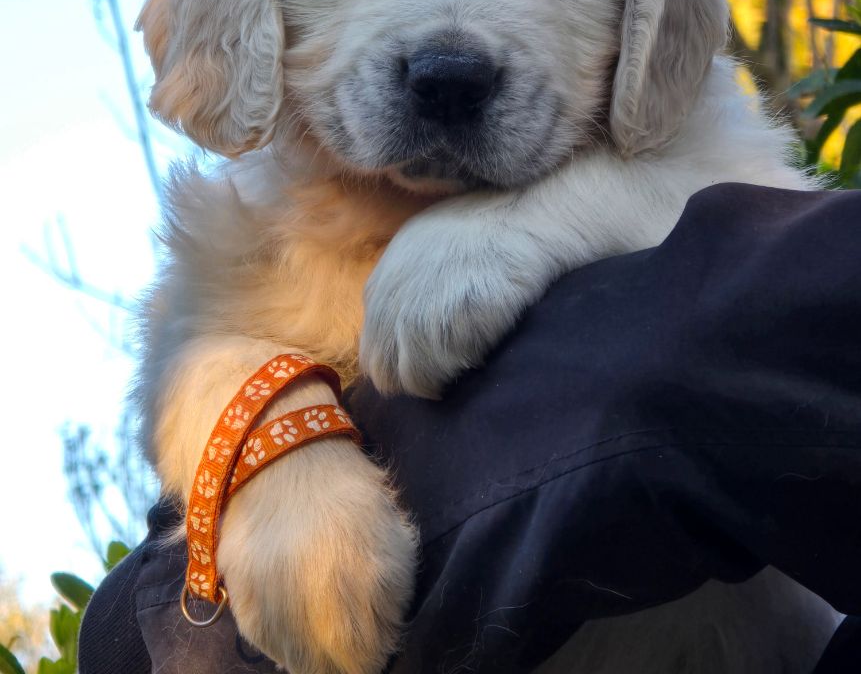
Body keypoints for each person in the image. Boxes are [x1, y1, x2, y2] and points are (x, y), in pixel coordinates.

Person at [78, 182, 861, 673]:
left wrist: (552, 215)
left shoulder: (691, 183)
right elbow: (195, 349)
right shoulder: (256, 235)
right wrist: (277, 445)